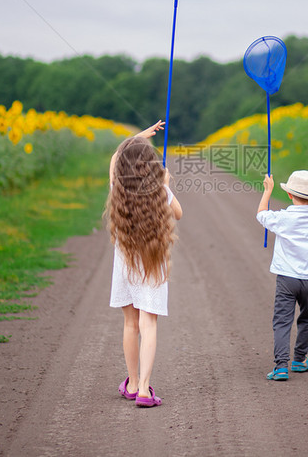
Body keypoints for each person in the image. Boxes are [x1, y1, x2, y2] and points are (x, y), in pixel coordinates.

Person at [105, 121, 183, 408]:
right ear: (152, 166)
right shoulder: (160, 191)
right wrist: (164, 184)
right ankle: (145, 390)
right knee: (149, 324)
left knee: (130, 323)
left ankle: (133, 381)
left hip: (125, 264)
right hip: (152, 263)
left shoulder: (118, 186)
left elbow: (116, 158)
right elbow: (179, 214)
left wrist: (136, 139)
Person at [256, 170, 308, 381]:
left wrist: (267, 191)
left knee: (282, 320)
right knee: (307, 317)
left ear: (289, 194)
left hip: (287, 279)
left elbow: (261, 214)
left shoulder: (284, 217)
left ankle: (280, 366)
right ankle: (300, 359)